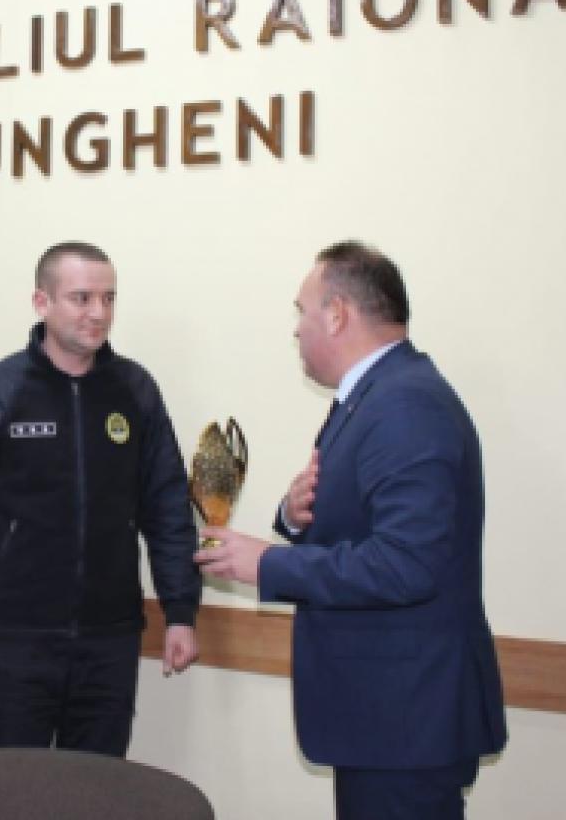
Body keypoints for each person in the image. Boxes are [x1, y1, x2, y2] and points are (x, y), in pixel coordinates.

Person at [195, 241, 507, 820]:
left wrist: (267, 563)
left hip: (404, 719)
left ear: (337, 314)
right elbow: (362, 529)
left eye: (302, 311)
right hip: (382, 716)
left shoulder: (406, 404)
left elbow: (407, 564)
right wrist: (293, 517)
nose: (296, 330)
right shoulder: (372, 397)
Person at [0, 241, 201, 757]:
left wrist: (181, 610)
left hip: (109, 644)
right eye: (82, 298)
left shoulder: (135, 391)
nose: (99, 313)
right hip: (13, 642)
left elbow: (167, 507)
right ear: (41, 302)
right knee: (10, 792)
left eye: (109, 298)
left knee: (94, 792)